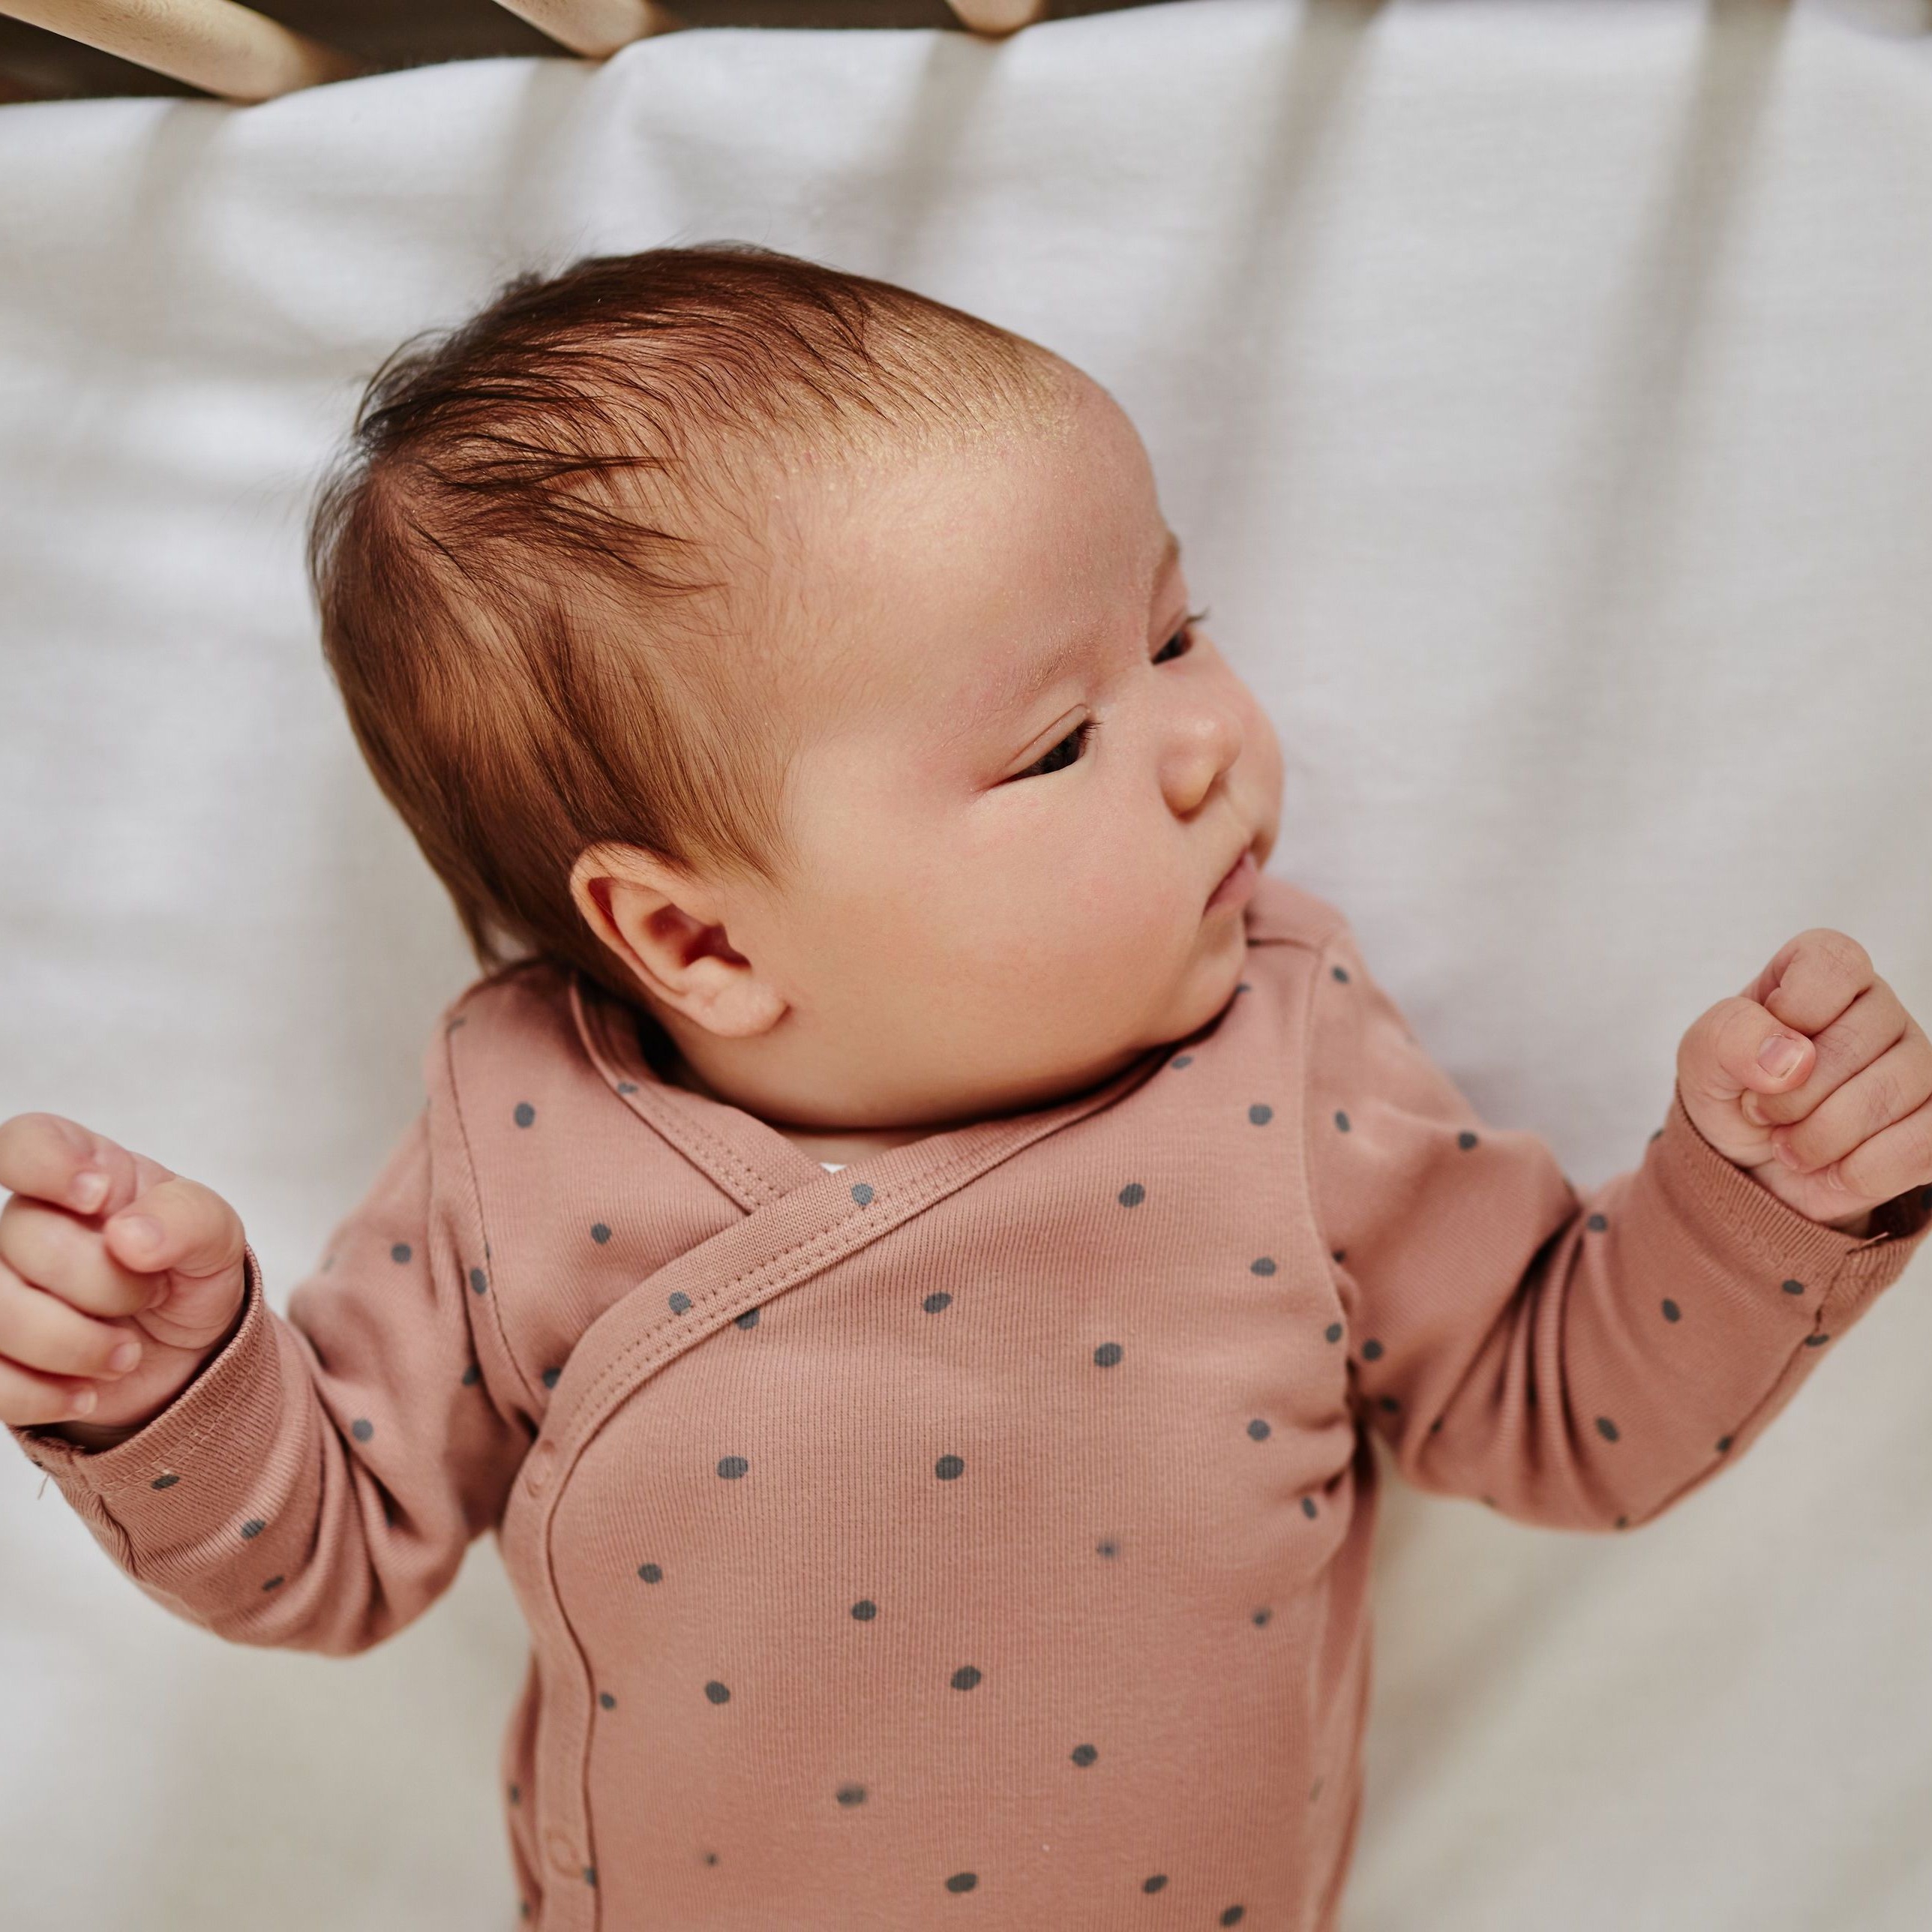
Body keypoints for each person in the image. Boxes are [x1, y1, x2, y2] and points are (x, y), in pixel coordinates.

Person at [4, 244, 1930, 1930]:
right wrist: (175, 1387)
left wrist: (1757, 1197)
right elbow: (330, 1553)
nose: (1203, 741)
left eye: (1174, 634)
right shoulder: (528, 1131)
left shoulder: (1278, 1060)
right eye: (1057, 743)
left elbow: (1562, 1403)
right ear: (693, 940)